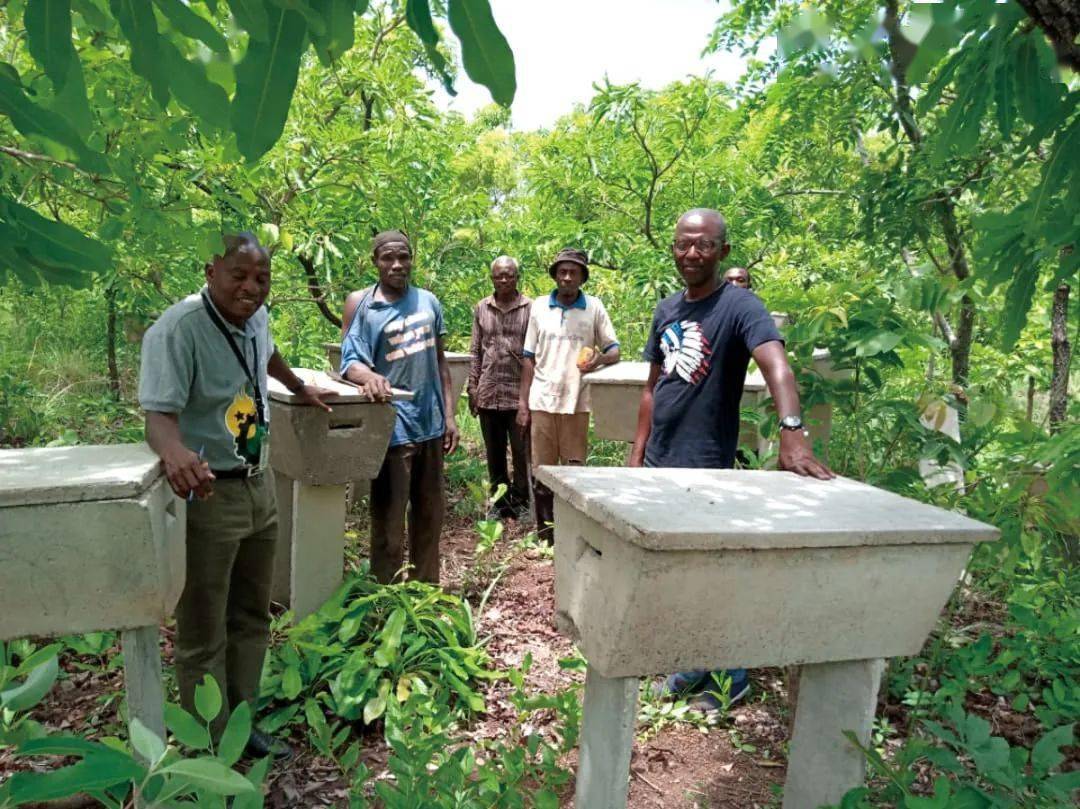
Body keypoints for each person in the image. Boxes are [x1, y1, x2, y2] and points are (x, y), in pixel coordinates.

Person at [630, 209, 833, 709]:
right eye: (683, 244)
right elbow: (653, 390)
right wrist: (635, 457)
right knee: (676, 576)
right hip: (659, 462)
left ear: (722, 250)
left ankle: (732, 676)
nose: (691, 254)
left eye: (703, 245)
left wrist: (792, 431)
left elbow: (777, 366)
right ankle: (692, 665)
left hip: (706, 463)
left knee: (711, 575)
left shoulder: (740, 306)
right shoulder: (666, 310)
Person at [139, 232, 332, 758]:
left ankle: (242, 725)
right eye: (239, 276)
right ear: (210, 272)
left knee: (251, 613)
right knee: (204, 625)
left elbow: (266, 354)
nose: (251, 288)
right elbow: (158, 417)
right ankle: (208, 741)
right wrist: (175, 454)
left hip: (256, 483)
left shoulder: (255, 317)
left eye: (262, 278)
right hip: (208, 493)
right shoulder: (179, 329)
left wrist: (297, 387)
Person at [341, 230, 458, 585]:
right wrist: (369, 377)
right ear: (374, 261)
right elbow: (349, 363)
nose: (397, 265)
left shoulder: (428, 302)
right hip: (393, 429)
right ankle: (386, 598)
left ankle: (426, 593)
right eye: (388, 258)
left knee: (429, 517)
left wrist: (450, 416)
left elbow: (440, 363)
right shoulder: (364, 306)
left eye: (403, 257)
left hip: (432, 426)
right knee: (389, 524)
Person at [518, 247, 620, 542]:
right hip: (543, 399)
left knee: (575, 471)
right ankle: (546, 537)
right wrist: (523, 404)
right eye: (562, 272)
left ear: (582, 277)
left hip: (577, 401)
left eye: (573, 272)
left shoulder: (594, 308)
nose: (566, 277)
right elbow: (528, 357)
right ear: (555, 275)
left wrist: (597, 360)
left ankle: (573, 534)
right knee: (542, 471)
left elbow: (614, 350)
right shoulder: (538, 307)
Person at [467, 256, 532, 520]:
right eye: (498, 276)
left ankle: (522, 500)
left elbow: (535, 354)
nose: (503, 280)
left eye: (509, 275)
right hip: (488, 394)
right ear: (492, 278)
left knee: (521, 451)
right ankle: (500, 502)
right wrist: (472, 387)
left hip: (518, 396)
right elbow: (475, 351)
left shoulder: (531, 308)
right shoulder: (482, 308)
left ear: (517, 277)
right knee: (494, 453)